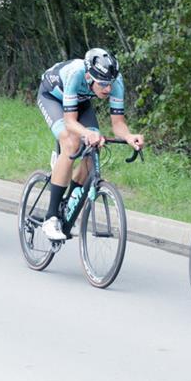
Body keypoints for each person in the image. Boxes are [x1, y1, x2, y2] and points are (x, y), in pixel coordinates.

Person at [36, 48, 144, 241]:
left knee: (92, 150)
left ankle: (69, 206)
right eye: (102, 84)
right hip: (52, 96)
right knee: (71, 144)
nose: (108, 89)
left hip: (80, 101)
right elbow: (70, 122)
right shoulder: (76, 74)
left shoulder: (114, 80)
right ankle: (50, 217)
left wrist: (129, 137)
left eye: (109, 84)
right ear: (89, 76)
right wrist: (86, 133)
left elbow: (118, 123)